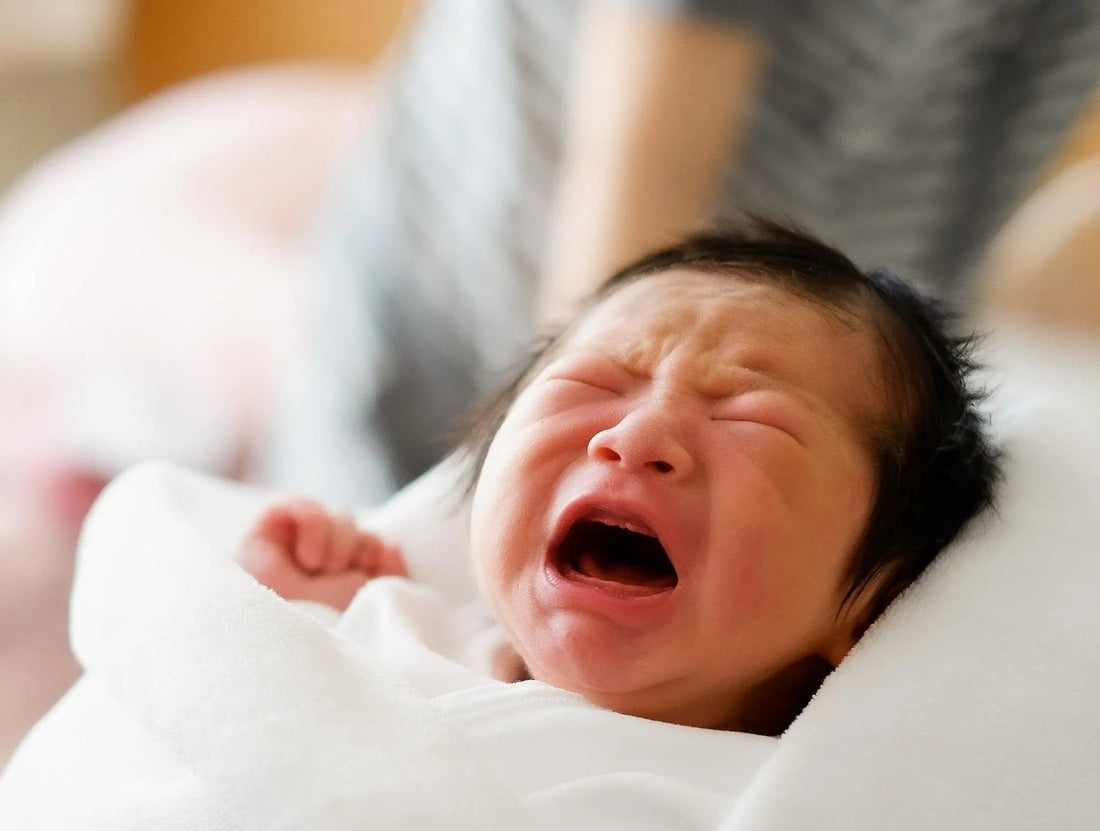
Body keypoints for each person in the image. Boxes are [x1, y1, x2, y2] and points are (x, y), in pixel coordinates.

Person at [264, 0, 1097, 506]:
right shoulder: (609, 396)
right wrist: (556, 464)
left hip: (819, 305)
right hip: (506, 289)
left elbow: (982, 178)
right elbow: (635, 173)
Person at [243, 222, 1001, 734]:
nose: (634, 438)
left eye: (752, 419)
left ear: (875, 600)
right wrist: (293, 612)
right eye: (594, 384)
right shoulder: (398, 637)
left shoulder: (785, 824)